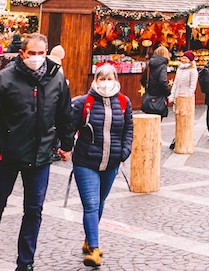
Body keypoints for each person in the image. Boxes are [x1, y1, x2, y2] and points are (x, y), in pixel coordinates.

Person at [0, 33, 74, 271]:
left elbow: (65, 116)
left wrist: (66, 145)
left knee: (34, 209)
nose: (36, 58)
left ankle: (26, 262)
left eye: (41, 53)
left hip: (40, 156)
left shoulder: (56, 79)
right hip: (6, 155)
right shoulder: (3, 80)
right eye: (32, 53)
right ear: (22, 54)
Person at [71, 64, 133, 268]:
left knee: (100, 203)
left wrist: (124, 152)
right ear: (95, 80)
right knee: (90, 204)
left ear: (116, 79)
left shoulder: (124, 102)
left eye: (110, 78)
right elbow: (68, 127)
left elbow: (128, 131)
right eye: (101, 78)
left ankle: (89, 238)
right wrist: (61, 147)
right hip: (85, 162)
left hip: (111, 162)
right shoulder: (83, 102)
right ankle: (94, 249)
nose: (106, 82)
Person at [169, 51, 199, 149]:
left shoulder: (193, 71)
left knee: (186, 119)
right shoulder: (179, 69)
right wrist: (172, 96)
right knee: (178, 118)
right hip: (178, 96)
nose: (183, 60)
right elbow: (176, 84)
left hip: (186, 98)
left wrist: (189, 96)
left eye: (186, 58)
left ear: (190, 60)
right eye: (183, 58)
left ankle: (185, 138)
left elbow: (192, 86)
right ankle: (177, 137)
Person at [140, 45, 170, 118]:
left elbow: (142, 79)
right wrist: (168, 93)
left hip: (149, 96)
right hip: (159, 96)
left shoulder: (149, 64)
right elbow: (162, 81)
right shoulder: (163, 66)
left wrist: (148, 87)